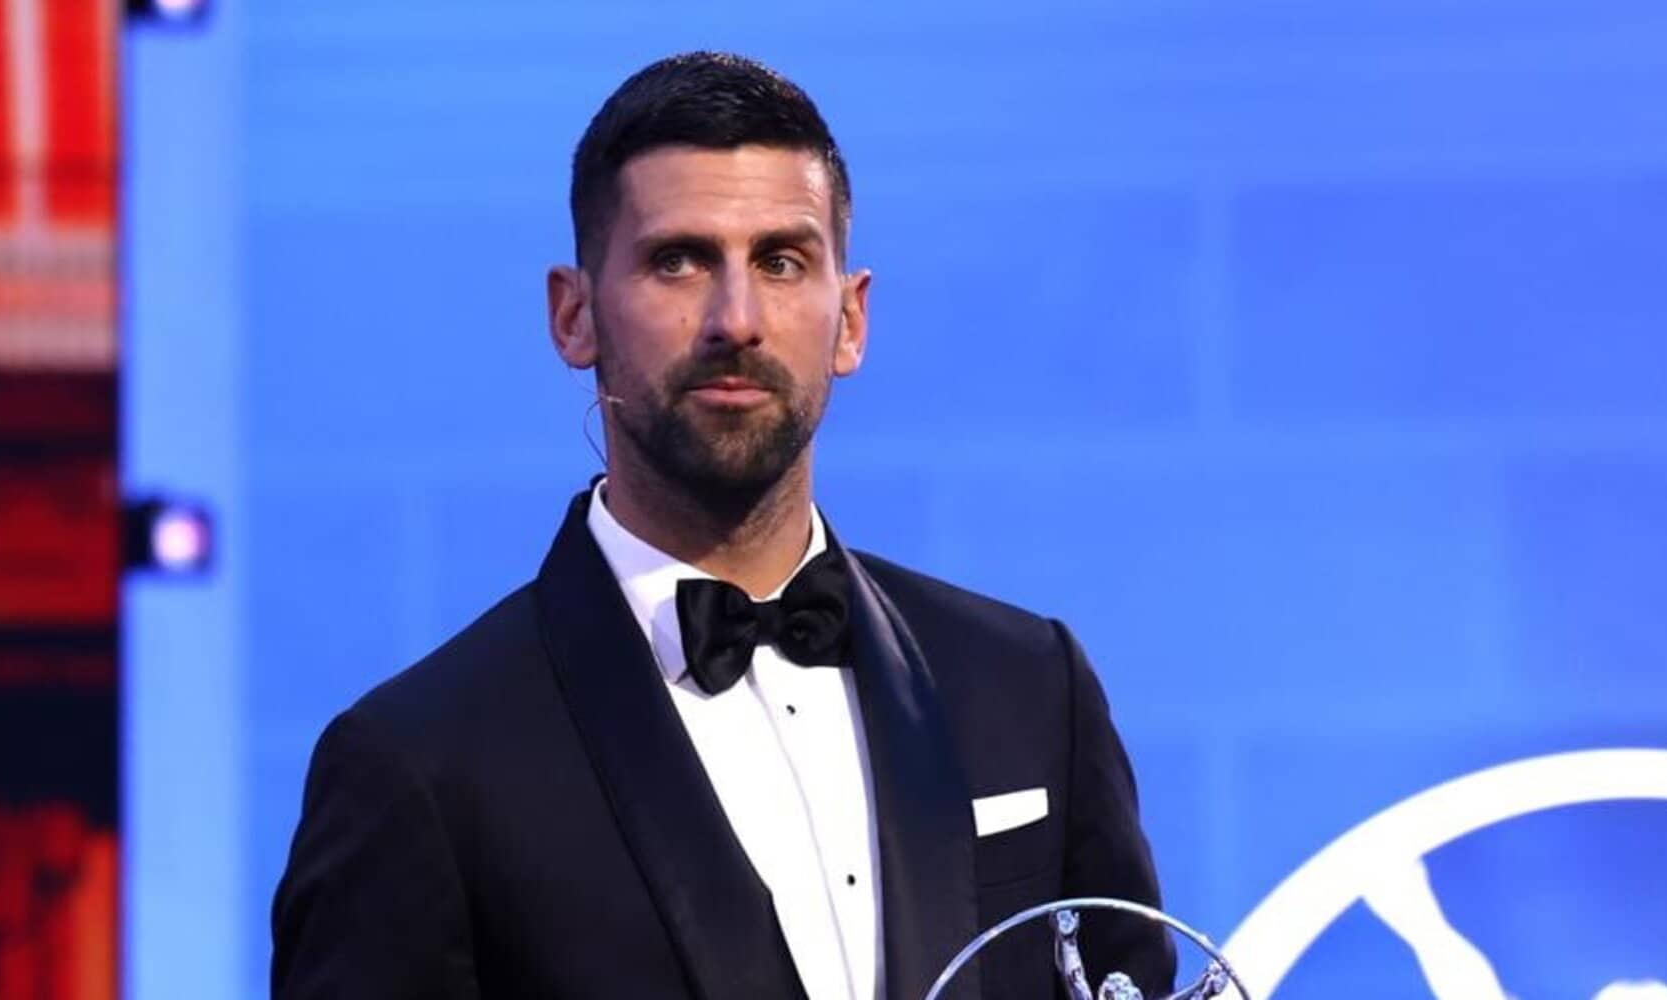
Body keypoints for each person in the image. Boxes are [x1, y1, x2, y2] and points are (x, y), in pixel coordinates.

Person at [271, 51, 1174, 1000]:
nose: (736, 319)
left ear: (850, 318)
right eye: (678, 261)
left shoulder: (1031, 689)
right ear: (574, 316)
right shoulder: (419, 764)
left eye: (781, 262)